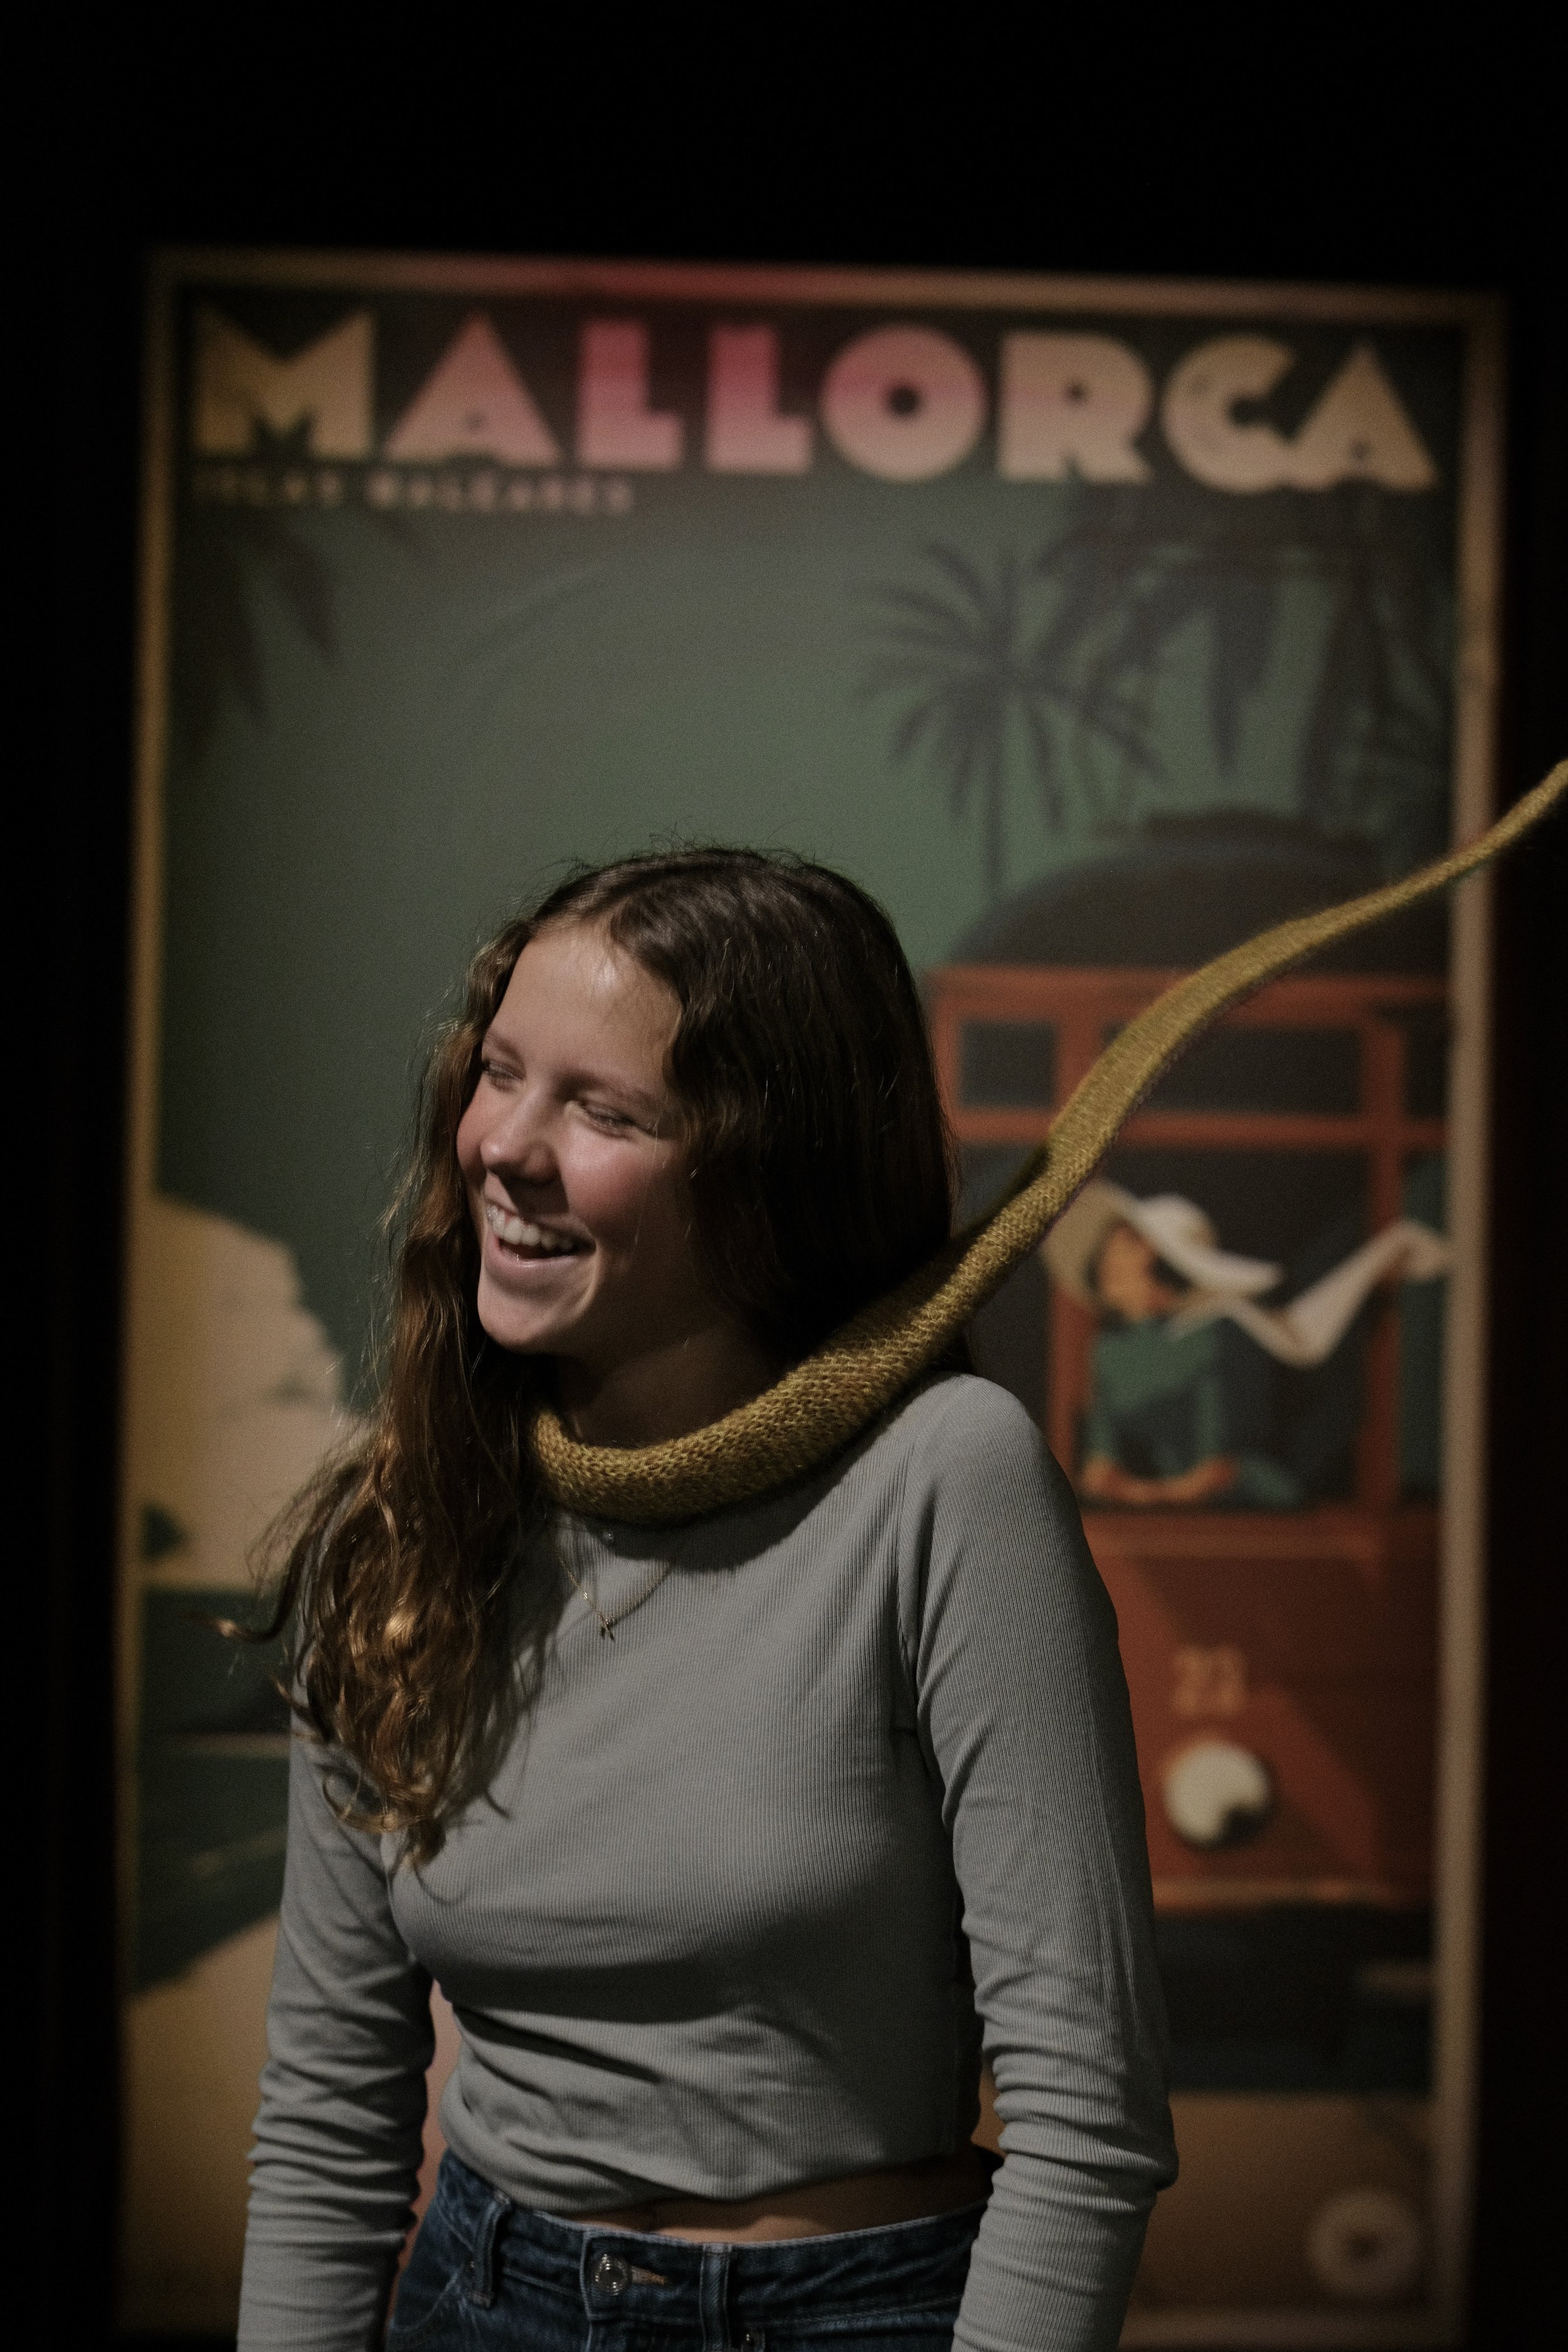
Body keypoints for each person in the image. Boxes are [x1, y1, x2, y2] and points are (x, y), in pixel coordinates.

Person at [236, 848, 1175, 2352]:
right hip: (477, 2301)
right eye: (498, 1073)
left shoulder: (946, 1478)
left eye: (603, 1110)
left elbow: (1091, 2122)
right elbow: (328, 2118)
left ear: (767, 1172)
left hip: (845, 2313)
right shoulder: (400, 1519)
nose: (506, 1146)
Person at [1042, 1182, 1451, 1511]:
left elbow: (1220, 1468)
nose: (1116, 1281)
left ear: (1151, 1251)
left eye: (1126, 1252)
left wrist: (1162, 1493)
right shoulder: (1110, 1355)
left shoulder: (1220, 1329)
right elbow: (1100, 1463)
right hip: (1164, 1518)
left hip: (1249, 1502)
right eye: (1104, 1275)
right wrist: (1133, 1489)